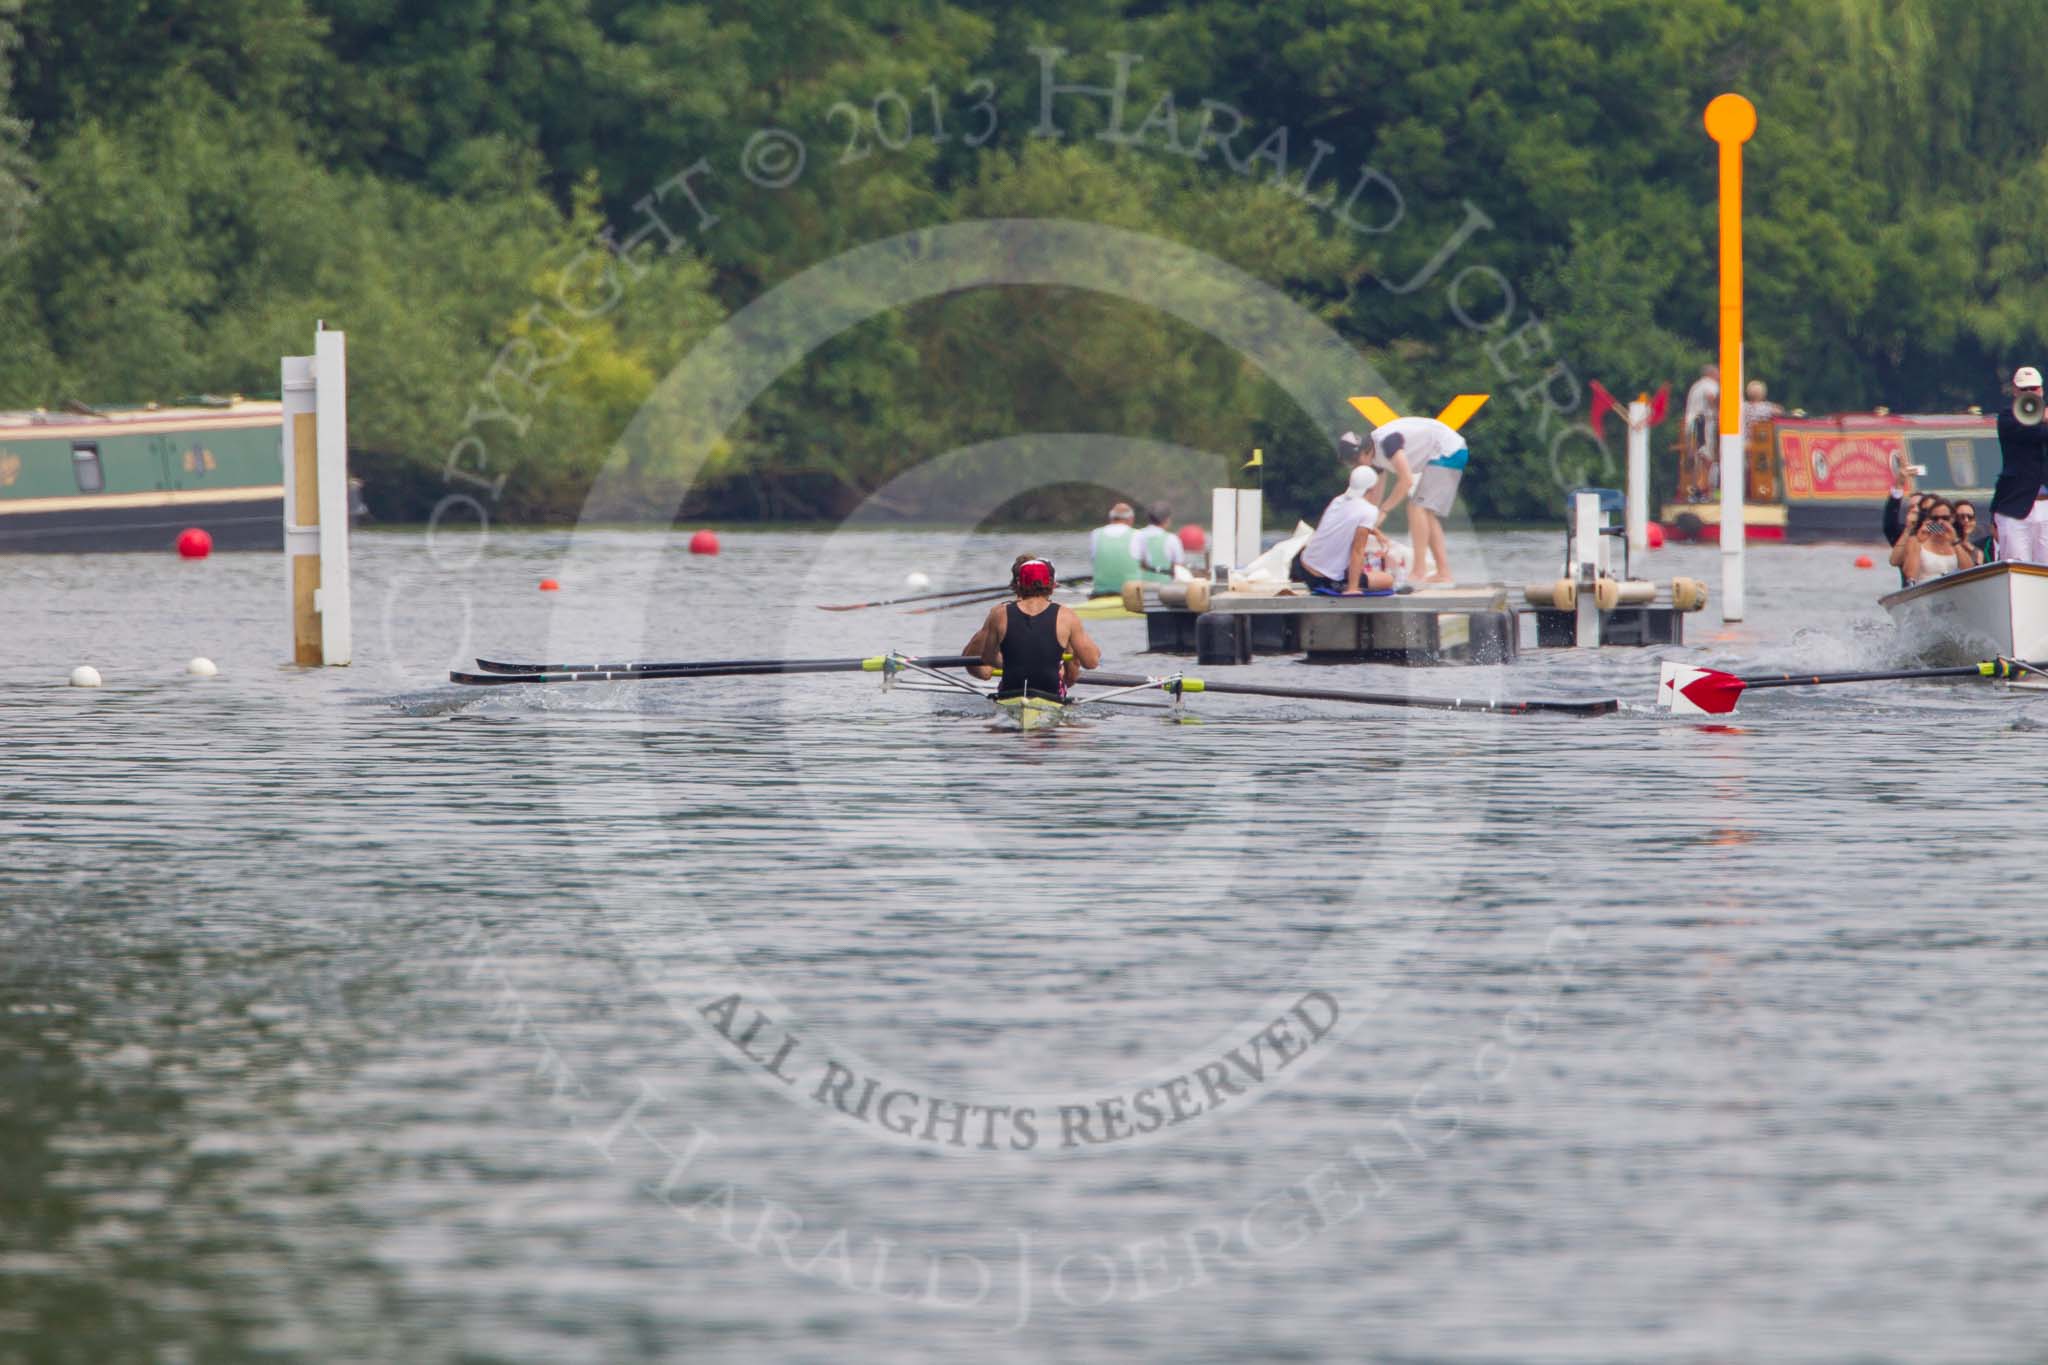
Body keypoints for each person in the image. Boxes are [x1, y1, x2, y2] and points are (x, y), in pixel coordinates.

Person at [963, 556, 1102, 697]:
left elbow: (988, 658)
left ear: (1018, 585)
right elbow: (1091, 663)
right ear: (1052, 585)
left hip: (1009, 694)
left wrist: (1014, 665)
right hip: (1051, 695)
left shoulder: (999, 613)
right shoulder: (1067, 615)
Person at [1368, 416, 1467, 584]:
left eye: (1355, 461)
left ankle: (1419, 571)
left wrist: (1384, 510)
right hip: (1449, 450)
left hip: (1448, 450)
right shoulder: (1373, 455)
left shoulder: (1387, 442)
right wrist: (1369, 519)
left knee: (1416, 508)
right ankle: (1443, 573)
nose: (1358, 466)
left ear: (1364, 451)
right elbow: (1376, 491)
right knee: (1425, 512)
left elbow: (1406, 479)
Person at [1289, 466, 1398, 594]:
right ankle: (1348, 585)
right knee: (1387, 580)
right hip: (1322, 578)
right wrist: (1353, 588)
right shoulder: (1369, 511)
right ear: (1373, 488)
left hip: (1302, 565)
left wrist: (1377, 533)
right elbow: (1358, 550)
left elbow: (1348, 522)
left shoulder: (1338, 500)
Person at [1991, 365, 2048, 565]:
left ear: (2041, 390)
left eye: (2033, 389)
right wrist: (2043, 419)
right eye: (2024, 389)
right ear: (2015, 391)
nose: (2029, 393)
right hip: (2016, 505)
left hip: (2045, 505)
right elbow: (2032, 434)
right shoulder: (2008, 417)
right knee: (2017, 564)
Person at [1889, 498, 1962, 586]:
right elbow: (1910, 575)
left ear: (1952, 518)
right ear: (1928, 519)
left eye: (1945, 518)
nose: (1940, 522)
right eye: (1935, 519)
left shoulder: (1956, 539)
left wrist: (1955, 542)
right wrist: (1918, 542)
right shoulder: (1916, 539)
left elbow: (1968, 569)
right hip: (1927, 589)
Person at [1682, 363, 1720, 500]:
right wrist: (1718, 410)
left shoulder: (1696, 386)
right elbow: (1711, 397)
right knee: (1706, 458)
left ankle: (1693, 490)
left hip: (1691, 422)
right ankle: (1703, 490)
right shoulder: (1710, 384)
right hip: (1703, 422)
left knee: (1696, 457)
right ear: (1712, 374)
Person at [1088, 503, 1140, 596]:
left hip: (1100, 593)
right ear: (1131, 519)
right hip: (1131, 595)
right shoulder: (1138, 534)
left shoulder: (1096, 534)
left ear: (1111, 518)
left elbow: (1093, 560)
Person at [1129, 502, 1184, 584]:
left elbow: (1134, 562)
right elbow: (1179, 566)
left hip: (1141, 588)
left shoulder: (1136, 535)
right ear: (1167, 520)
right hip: (1166, 590)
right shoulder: (1172, 539)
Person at [1952, 500, 1985, 567]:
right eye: (1961, 517)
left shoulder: (1978, 553)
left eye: (1970, 517)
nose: (1966, 520)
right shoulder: (1945, 544)